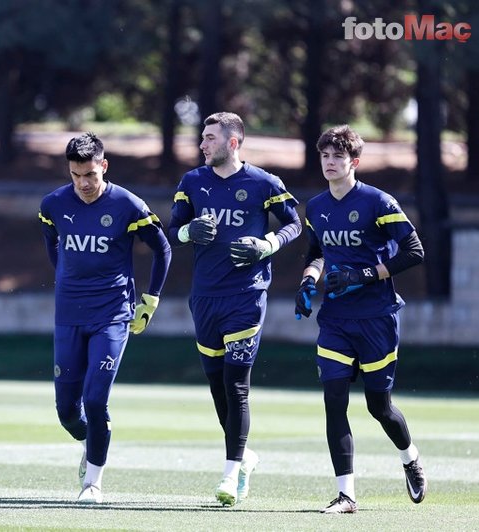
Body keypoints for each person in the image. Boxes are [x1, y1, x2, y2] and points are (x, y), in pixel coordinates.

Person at [168, 112, 302, 506]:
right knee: (217, 387)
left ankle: (229, 475)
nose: (202, 144)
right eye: (202, 137)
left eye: (209, 138)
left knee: (236, 386)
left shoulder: (264, 183)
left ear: (233, 142)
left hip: (246, 295)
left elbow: (294, 224)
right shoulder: (192, 182)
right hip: (204, 298)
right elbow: (171, 231)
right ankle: (245, 457)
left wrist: (268, 244)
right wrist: (188, 231)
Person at [295, 124, 427, 514]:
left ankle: (410, 459)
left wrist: (364, 275)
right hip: (335, 319)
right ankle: (346, 495)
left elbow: (414, 251)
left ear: (354, 162)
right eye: (325, 156)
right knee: (334, 401)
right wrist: (308, 281)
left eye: (338, 156)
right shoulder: (316, 207)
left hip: (377, 317)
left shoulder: (378, 202)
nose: (330, 163)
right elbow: (317, 252)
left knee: (378, 407)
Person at [38, 132, 171, 504]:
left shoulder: (128, 205)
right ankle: (91, 441)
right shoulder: (53, 204)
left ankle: (92, 484)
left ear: (104, 167)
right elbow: (52, 243)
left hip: (112, 315)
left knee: (95, 401)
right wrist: (67, 279)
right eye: (76, 175)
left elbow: (162, 249)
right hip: (68, 315)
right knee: (67, 411)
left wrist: (150, 300)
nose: (83, 184)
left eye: (90, 175)